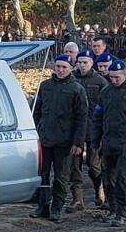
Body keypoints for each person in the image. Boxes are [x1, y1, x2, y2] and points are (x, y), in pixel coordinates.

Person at [30, 54, 89, 223]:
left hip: (65, 141)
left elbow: (82, 118)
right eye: (58, 67)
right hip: (45, 137)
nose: (60, 70)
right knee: (43, 174)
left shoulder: (77, 89)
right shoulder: (45, 86)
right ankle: (43, 205)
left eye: (64, 67)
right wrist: (35, 132)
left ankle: (57, 207)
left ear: (71, 68)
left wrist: (78, 142)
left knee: (61, 176)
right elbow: (37, 111)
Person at [92, 59, 126, 227]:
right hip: (108, 142)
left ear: (125, 75)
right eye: (112, 77)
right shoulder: (106, 92)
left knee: (122, 178)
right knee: (108, 178)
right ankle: (112, 208)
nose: (114, 80)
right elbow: (98, 118)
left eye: (117, 77)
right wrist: (95, 141)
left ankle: (123, 211)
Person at [70, 50, 109, 211]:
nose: (82, 65)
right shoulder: (71, 79)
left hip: (94, 128)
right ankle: (77, 199)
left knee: (94, 165)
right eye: (80, 62)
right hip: (75, 128)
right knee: (74, 166)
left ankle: (100, 191)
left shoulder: (100, 81)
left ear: (92, 63)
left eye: (85, 62)